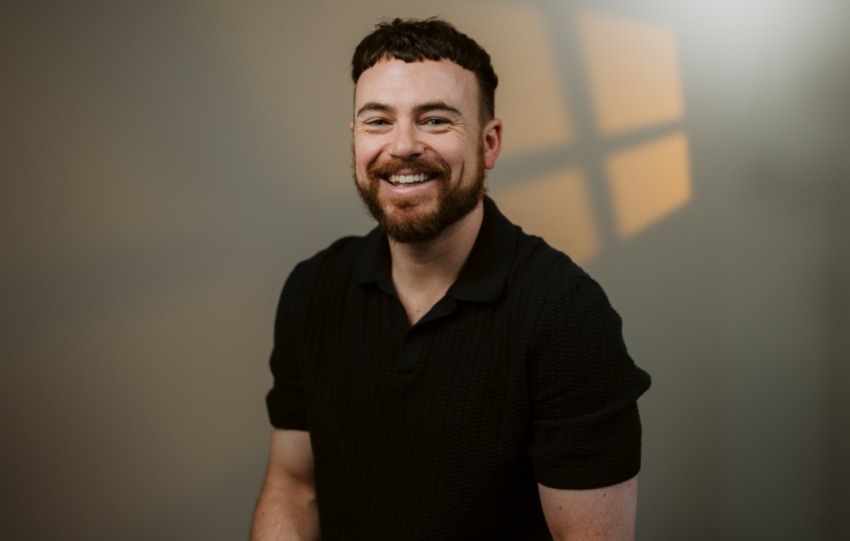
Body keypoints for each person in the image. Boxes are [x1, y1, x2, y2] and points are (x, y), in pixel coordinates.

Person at [251, 17, 650, 541]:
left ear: (489, 143)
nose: (402, 146)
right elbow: (293, 487)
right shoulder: (313, 289)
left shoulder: (565, 315)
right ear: (355, 139)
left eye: (435, 120)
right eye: (378, 121)